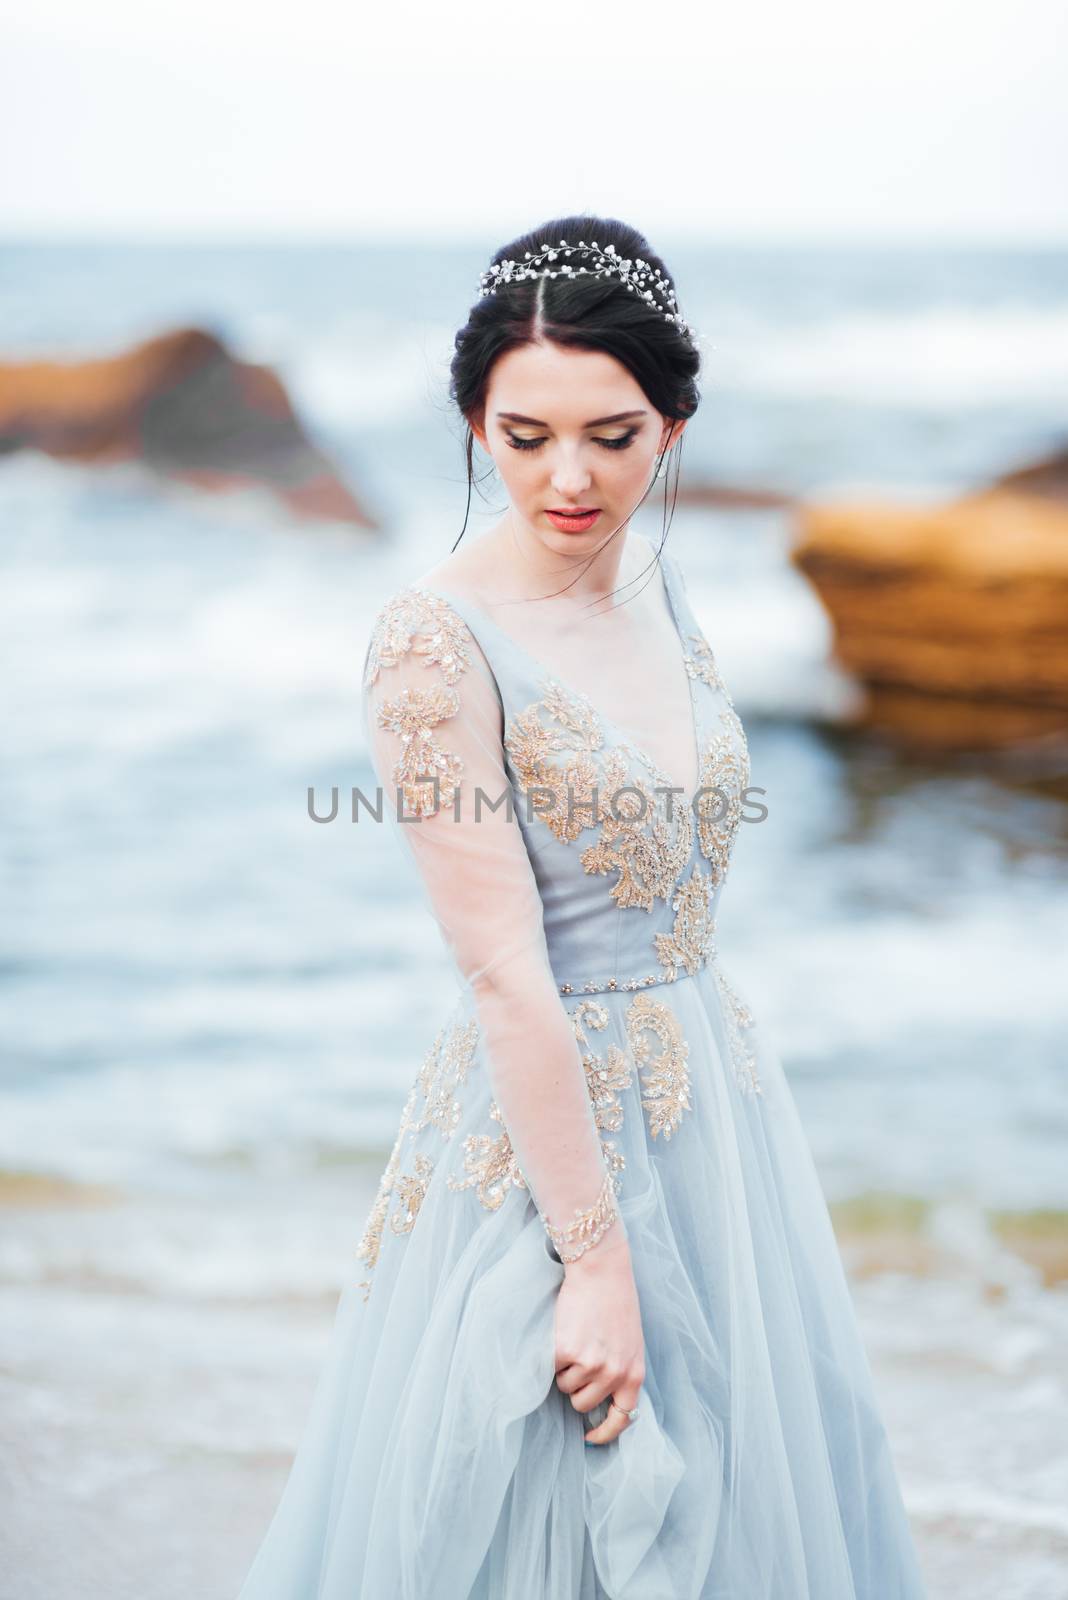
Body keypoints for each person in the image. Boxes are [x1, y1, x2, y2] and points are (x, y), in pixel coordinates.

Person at [236, 215, 929, 1599]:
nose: (569, 477)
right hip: (547, 1140)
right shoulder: (434, 646)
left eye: (612, 436)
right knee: (562, 1514)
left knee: (761, 1497)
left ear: (673, 425)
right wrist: (592, 1263)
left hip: (721, 1118)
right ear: (473, 421)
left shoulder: (664, 589)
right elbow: (505, 974)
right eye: (524, 433)